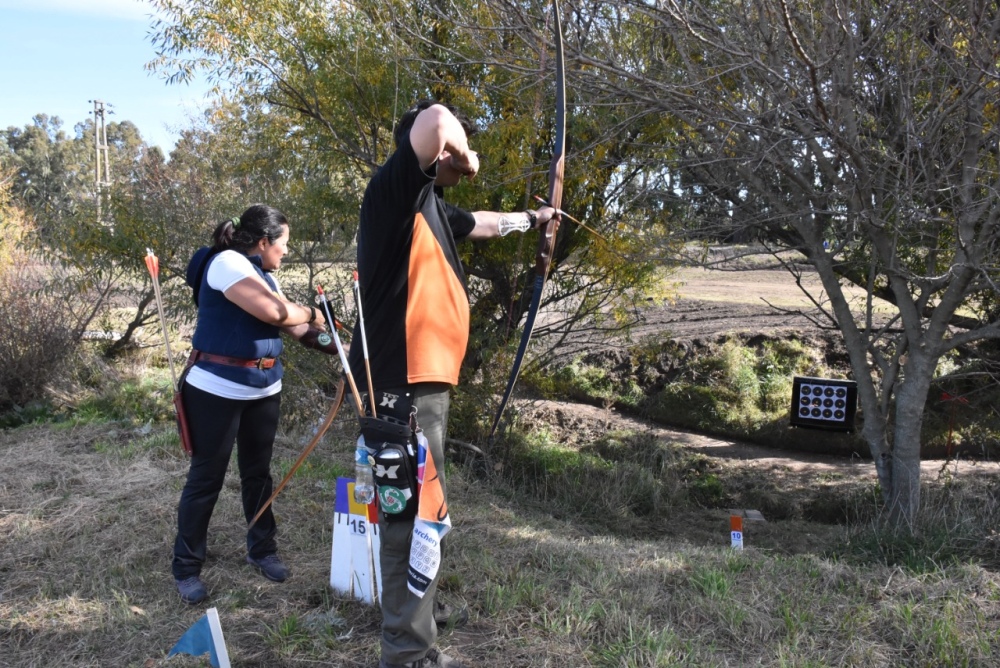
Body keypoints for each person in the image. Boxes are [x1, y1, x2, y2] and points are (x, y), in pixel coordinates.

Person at [348, 101, 556, 668]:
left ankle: (420, 620)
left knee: (425, 512)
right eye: (447, 157)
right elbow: (436, 118)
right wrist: (468, 157)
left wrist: (536, 221)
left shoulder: (432, 207)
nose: (458, 166)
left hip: (424, 386)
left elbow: (485, 222)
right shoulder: (393, 194)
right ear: (429, 154)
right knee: (405, 518)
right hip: (400, 386)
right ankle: (409, 653)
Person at [172, 204, 340, 604]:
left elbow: (296, 329)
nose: (286, 252)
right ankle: (186, 567)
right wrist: (317, 312)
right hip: (215, 387)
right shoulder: (228, 262)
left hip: (263, 388)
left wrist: (345, 349)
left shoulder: (263, 274)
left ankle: (262, 550)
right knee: (206, 479)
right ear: (263, 241)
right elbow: (276, 312)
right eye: (283, 244)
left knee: (258, 474)